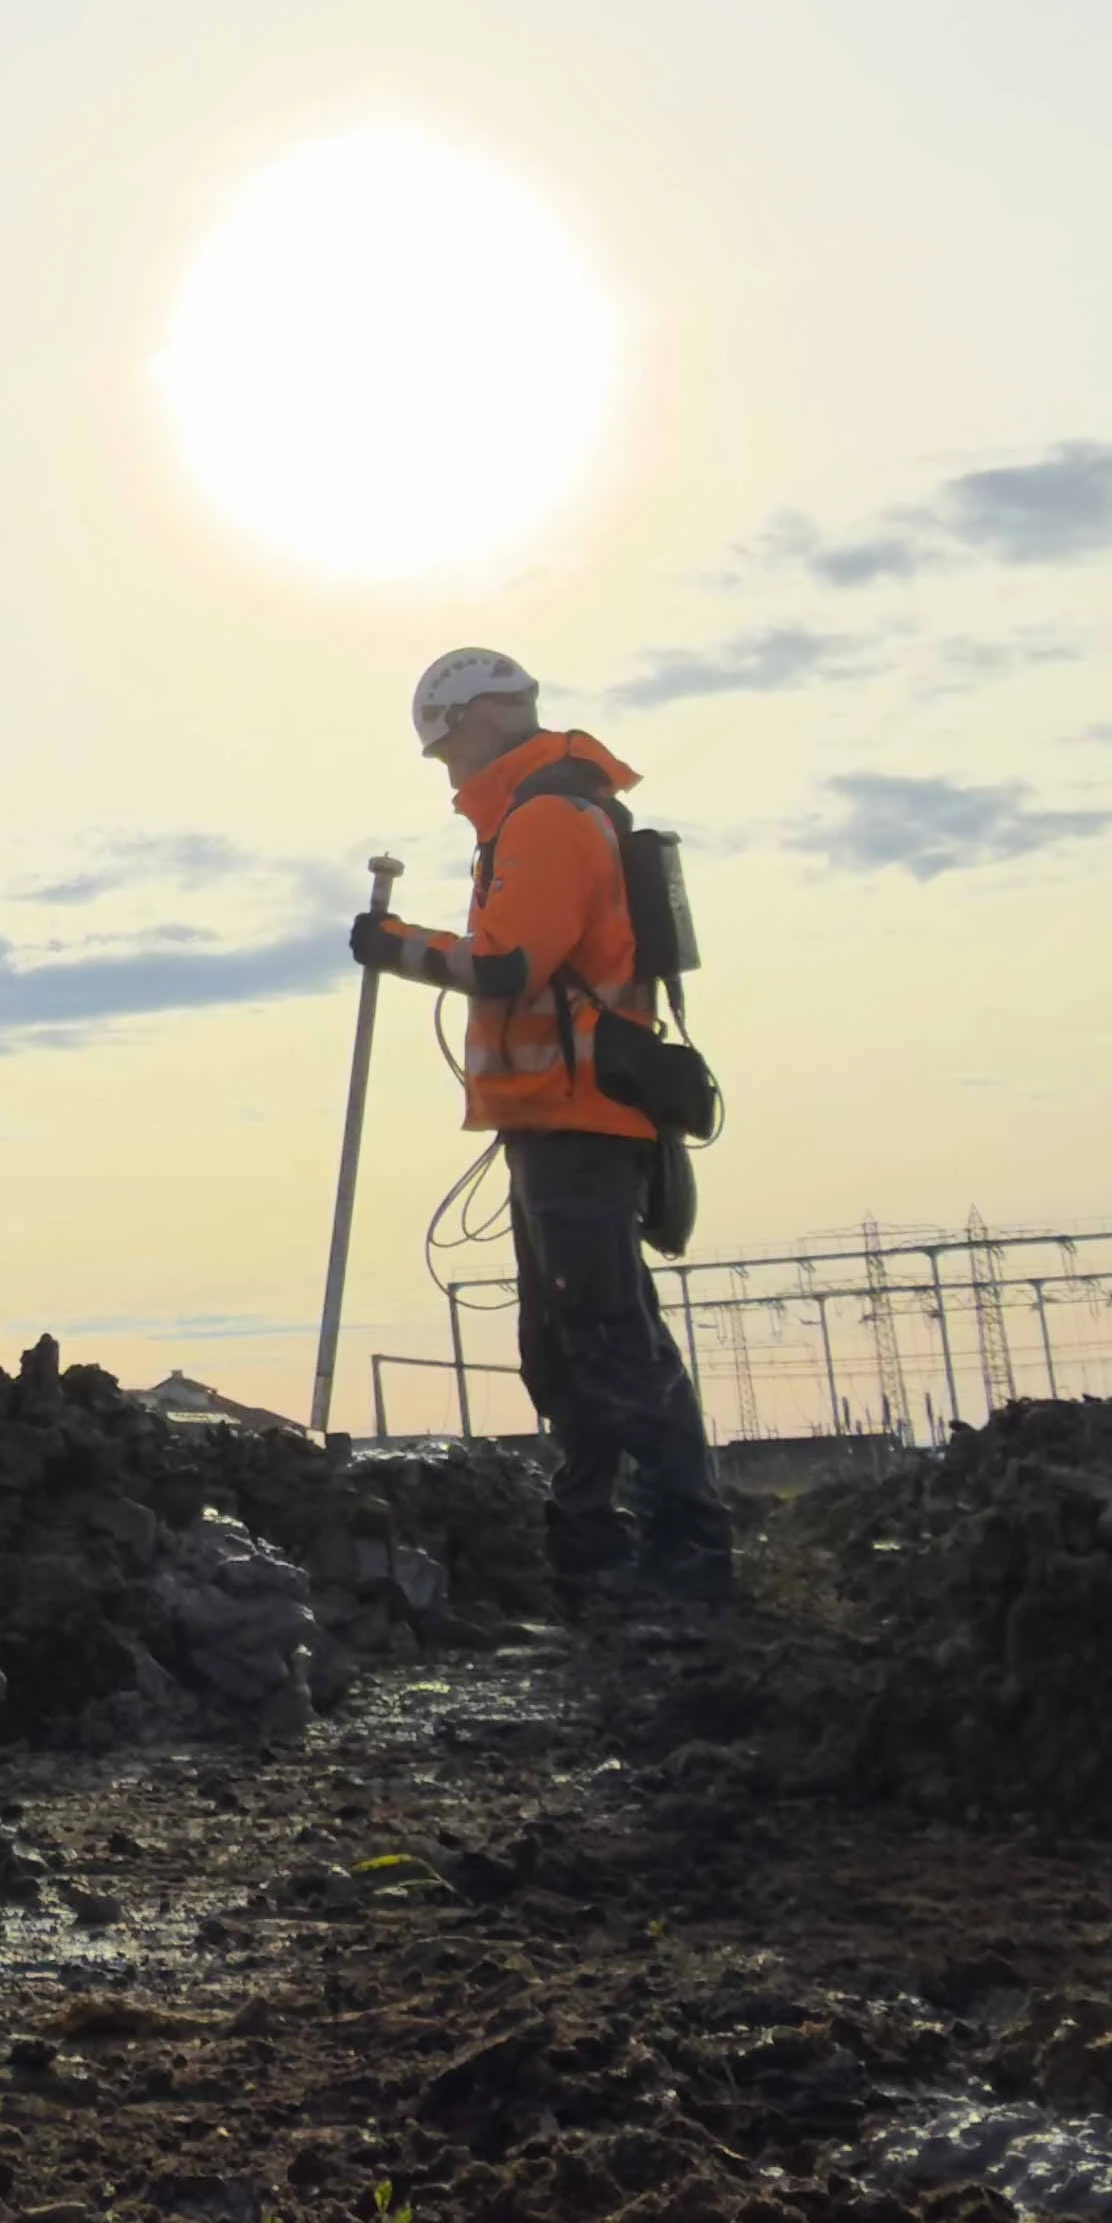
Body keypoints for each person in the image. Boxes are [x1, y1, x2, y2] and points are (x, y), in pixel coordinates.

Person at [350, 648, 731, 1603]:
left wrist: (395, 947)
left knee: (604, 1335)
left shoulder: (551, 816)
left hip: (579, 1117)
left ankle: (684, 1548)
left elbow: (512, 961)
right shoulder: (541, 811)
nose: (448, 773)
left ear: (476, 720)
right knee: (563, 1342)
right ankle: (591, 1538)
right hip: (555, 1119)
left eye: (444, 753)